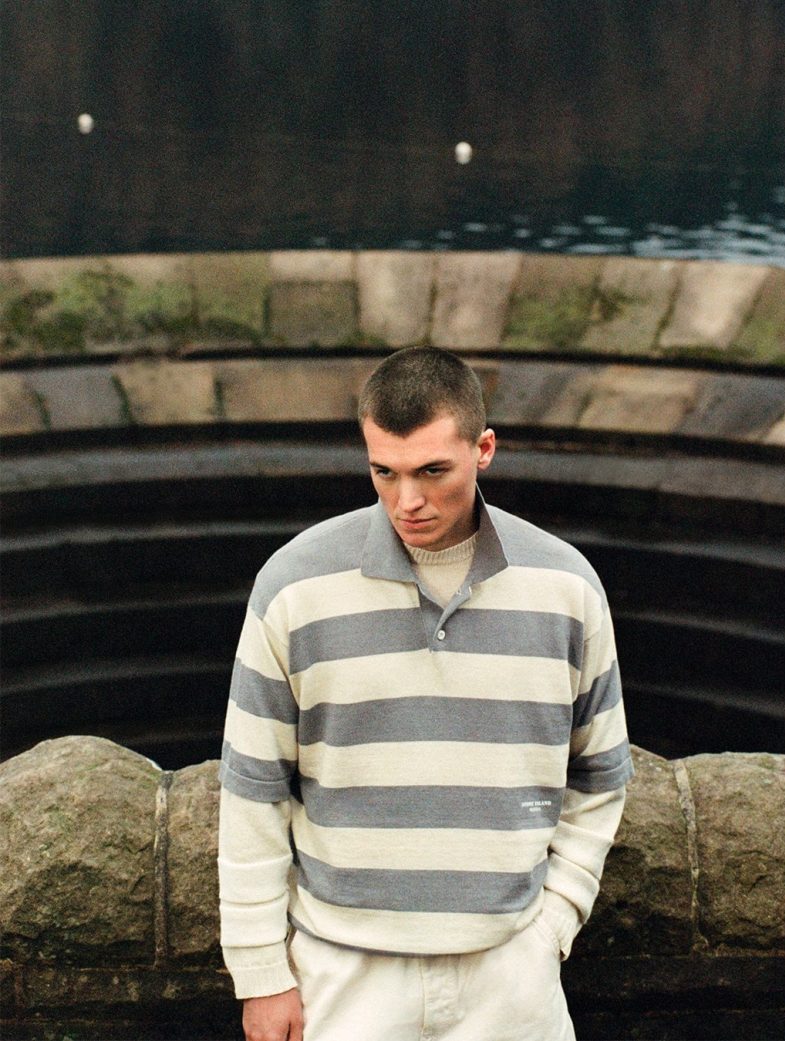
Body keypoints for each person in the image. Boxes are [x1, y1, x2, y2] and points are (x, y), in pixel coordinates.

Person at [218, 346, 634, 1041]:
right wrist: (262, 973)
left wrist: (553, 922)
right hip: (342, 973)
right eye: (384, 471)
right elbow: (253, 786)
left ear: (484, 449)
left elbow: (600, 773)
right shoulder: (292, 585)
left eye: (432, 471)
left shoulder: (566, 586)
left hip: (510, 974)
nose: (406, 500)